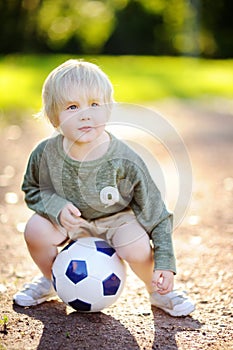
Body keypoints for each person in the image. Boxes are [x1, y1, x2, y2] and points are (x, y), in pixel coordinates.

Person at [13, 59, 195, 317]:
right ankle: (53, 278)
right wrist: (55, 206)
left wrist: (164, 262)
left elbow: (156, 213)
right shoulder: (46, 154)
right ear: (54, 116)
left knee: (136, 245)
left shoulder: (125, 159)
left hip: (117, 221)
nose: (86, 114)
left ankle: (158, 292)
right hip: (73, 222)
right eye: (73, 107)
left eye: (95, 104)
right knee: (35, 229)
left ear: (108, 110)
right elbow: (31, 188)